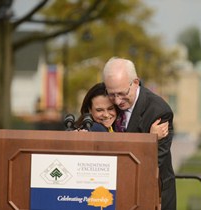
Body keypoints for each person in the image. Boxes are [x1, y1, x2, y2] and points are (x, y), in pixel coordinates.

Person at [102, 57, 176, 210]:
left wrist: (149, 141)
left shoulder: (159, 111)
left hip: (152, 193)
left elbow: (154, 161)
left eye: (122, 93)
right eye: (112, 94)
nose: (117, 101)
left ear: (135, 83)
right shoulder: (106, 104)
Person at [75, 82, 169, 139]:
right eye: (99, 110)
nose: (106, 115)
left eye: (110, 108)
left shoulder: (117, 127)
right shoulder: (95, 129)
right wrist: (151, 138)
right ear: (89, 110)